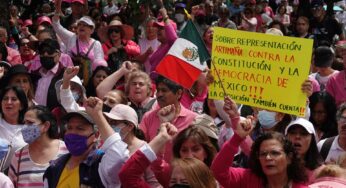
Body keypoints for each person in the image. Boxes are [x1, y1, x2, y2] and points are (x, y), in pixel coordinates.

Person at [43, 97, 128, 187]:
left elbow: (119, 156)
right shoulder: (54, 168)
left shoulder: (101, 164)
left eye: (80, 128)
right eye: (69, 128)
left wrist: (98, 115)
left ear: (95, 135)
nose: (73, 132)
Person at [119, 122, 217, 188]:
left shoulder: (220, 178)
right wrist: (161, 137)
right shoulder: (173, 171)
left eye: (185, 183)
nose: (189, 155)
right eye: (173, 182)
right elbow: (127, 176)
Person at [140, 75, 197, 162]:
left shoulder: (193, 119)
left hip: (181, 173)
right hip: (153, 173)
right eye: (158, 90)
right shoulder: (148, 117)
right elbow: (141, 148)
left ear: (178, 93)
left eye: (164, 90)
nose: (159, 94)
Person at [8, 105, 68, 187]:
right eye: (24, 123)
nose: (25, 127)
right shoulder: (19, 156)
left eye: (30, 123)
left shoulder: (66, 150)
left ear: (46, 126)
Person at [103, 104, 161, 187]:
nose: (110, 126)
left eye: (114, 123)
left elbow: (153, 182)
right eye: (109, 122)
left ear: (130, 126)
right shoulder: (107, 144)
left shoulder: (144, 148)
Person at [52, 14, 107, 84]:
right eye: (79, 24)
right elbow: (57, 27)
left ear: (92, 30)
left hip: (89, 80)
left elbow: (100, 64)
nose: (81, 26)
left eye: (85, 25)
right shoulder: (71, 38)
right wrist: (57, 13)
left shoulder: (96, 44)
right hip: (70, 78)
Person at [285, 118, 324, 183]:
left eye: (303, 134)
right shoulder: (279, 168)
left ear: (312, 140)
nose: (297, 137)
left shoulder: (321, 172)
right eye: (292, 133)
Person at [32, 39, 65, 110]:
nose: (45, 54)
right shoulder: (34, 74)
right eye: (42, 51)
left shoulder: (66, 75)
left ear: (58, 54)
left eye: (50, 51)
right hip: (34, 118)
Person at [0, 86, 28, 171]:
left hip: (21, 177)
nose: (8, 102)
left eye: (14, 99)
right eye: (5, 98)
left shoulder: (30, 127)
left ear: (21, 106)